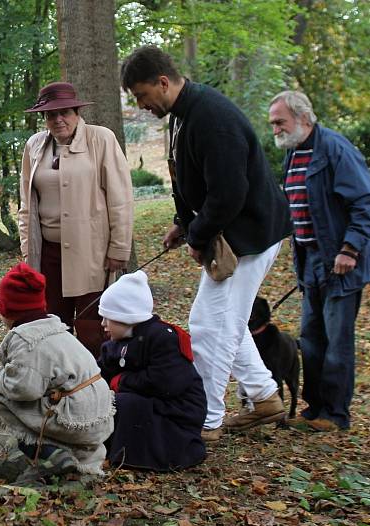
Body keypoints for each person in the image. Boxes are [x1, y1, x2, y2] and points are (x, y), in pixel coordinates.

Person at [120, 46, 293, 441]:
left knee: (211, 325)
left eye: (142, 95)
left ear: (163, 82)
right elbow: (188, 176)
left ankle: (206, 419)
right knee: (222, 322)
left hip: (250, 236)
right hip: (235, 233)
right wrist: (184, 222)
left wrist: (199, 235)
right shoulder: (181, 116)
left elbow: (230, 193)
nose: (141, 105)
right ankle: (265, 396)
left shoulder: (212, 118)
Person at [268, 91, 370, 432]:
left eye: (279, 122)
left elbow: (367, 203)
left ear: (303, 118)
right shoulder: (295, 150)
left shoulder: (334, 149)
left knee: (336, 340)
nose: (275, 130)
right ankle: (314, 409)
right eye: (272, 123)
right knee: (311, 337)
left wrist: (349, 250)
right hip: (311, 259)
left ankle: (336, 415)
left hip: (341, 259)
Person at [0, 263, 114, 479]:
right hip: (99, 417)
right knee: (6, 387)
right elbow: (12, 373)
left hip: (76, 418)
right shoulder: (56, 331)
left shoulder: (26, 341)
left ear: (6, 310)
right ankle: (82, 461)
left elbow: (24, 389)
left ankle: (49, 453)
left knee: (2, 399)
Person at [19, 81, 134, 358]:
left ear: (76, 112)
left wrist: (119, 248)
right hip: (47, 254)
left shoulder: (101, 139)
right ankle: (58, 385)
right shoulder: (34, 145)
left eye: (65, 112)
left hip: (91, 252)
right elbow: (26, 203)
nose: (58, 119)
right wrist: (27, 250)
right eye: (50, 114)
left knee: (92, 324)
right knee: (51, 324)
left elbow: (120, 198)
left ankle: (96, 386)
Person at [96, 271, 206, 471]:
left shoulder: (163, 339)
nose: (103, 324)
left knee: (124, 402)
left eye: (107, 318)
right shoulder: (115, 344)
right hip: (149, 404)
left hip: (175, 412)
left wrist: (120, 382)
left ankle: (135, 456)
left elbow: (166, 383)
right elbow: (100, 372)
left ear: (125, 316)